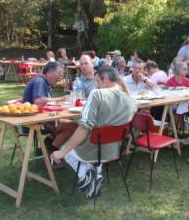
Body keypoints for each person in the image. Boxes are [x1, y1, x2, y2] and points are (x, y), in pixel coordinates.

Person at [51, 66, 137, 198]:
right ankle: (96, 174)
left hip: (92, 151)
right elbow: (133, 105)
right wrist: (124, 86)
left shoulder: (97, 94)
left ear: (106, 80)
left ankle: (88, 176)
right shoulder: (129, 100)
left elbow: (84, 127)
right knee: (93, 139)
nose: (96, 85)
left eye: (97, 81)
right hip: (113, 151)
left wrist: (62, 152)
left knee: (65, 148)